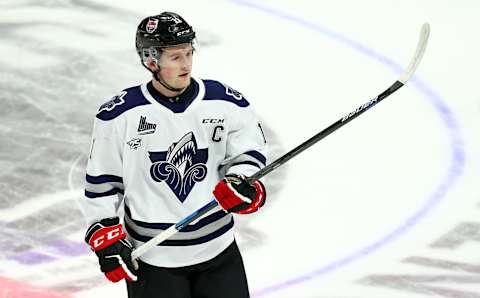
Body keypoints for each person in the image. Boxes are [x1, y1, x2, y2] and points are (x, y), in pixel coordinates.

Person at [79, 11, 268, 298]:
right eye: (175, 57)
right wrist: (104, 236)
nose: (186, 64)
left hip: (219, 252)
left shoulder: (225, 102)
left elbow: (248, 154)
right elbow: (103, 185)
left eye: (189, 53)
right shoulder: (119, 116)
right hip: (154, 260)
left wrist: (241, 184)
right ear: (151, 60)